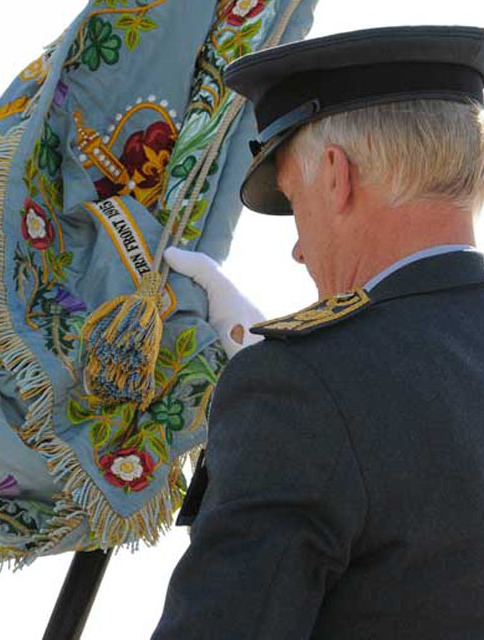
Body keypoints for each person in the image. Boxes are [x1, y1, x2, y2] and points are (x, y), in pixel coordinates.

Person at [152, 26, 484, 639]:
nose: (300, 250)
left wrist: (289, 391)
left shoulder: (298, 389)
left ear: (335, 174)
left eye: (294, 202)